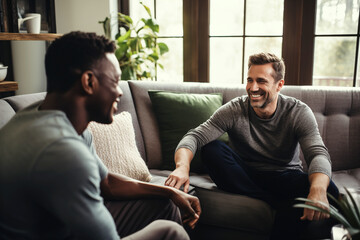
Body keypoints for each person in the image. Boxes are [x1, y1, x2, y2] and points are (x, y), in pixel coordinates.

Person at [0, 31, 200, 240]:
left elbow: (107, 183)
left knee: (164, 205)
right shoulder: (63, 151)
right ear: (88, 81)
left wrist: (170, 192)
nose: (119, 92)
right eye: (115, 81)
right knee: (171, 232)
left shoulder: (43, 115)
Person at [165, 52, 339, 239]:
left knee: (330, 190)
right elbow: (195, 137)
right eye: (249, 80)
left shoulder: (298, 112)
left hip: (284, 176)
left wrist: (317, 190)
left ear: (279, 85)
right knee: (211, 149)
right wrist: (182, 168)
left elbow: (317, 153)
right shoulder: (235, 108)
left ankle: (273, 201)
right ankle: (276, 202)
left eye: (261, 81)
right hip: (244, 174)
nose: (253, 87)